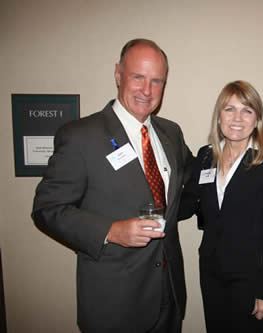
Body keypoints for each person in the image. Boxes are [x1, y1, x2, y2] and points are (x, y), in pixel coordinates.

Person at [31, 38, 193, 333]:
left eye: (157, 80)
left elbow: (194, 182)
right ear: (118, 74)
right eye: (138, 77)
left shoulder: (171, 133)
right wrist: (110, 231)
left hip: (168, 298)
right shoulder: (81, 136)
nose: (147, 90)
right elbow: (47, 209)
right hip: (114, 304)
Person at [178, 80, 263, 333]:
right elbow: (187, 204)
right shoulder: (206, 156)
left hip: (252, 279)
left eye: (246, 110)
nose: (237, 117)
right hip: (211, 271)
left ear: (256, 118)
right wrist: (155, 205)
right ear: (219, 117)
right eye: (229, 109)